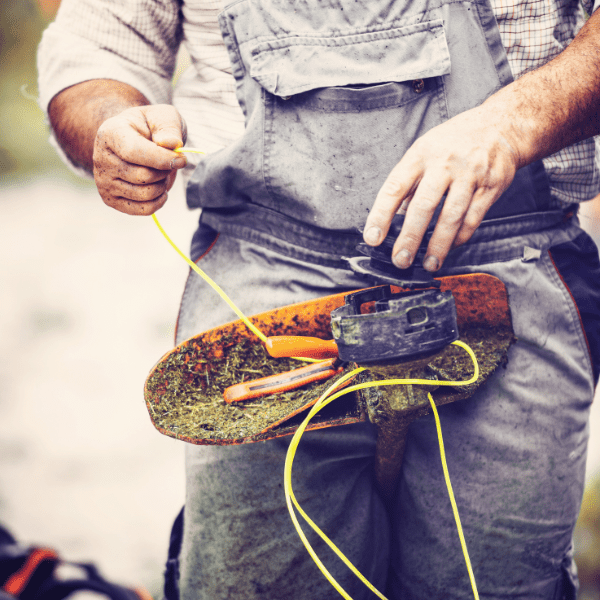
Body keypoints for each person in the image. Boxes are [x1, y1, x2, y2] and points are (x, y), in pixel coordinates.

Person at [37, 0, 600, 597]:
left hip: (505, 273)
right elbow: (98, 47)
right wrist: (111, 123)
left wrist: (510, 124)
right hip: (265, 278)